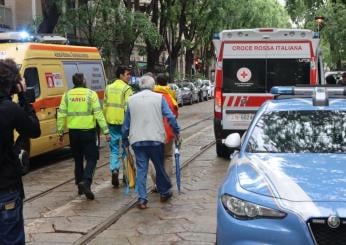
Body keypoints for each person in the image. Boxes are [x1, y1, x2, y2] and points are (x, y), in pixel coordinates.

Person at [122, 75, 180, 210]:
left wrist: (124, 139)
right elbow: (170, 117)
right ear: (153, 86)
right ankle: (164, 192)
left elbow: (126, 124)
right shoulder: (159, 98)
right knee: (159, 166)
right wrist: (176, 131)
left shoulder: (131, 100)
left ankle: (142, 199)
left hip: (137, 140)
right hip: (155, 139)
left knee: (142, 169)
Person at [0, 59, 41, 244]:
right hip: (5, 186)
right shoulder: (9, 109)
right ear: (13, 84)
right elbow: (34, 130)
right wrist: (24, 96)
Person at [57, 73, 110, 200]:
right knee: (92, 158)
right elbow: (98, 114)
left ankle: (79, 186)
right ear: (84, 81)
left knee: (78, 159)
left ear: (74, 82)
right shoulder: (91, 94)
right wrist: (106, 131)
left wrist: (60, 132)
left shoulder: (67, 95)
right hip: (88, 132)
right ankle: (86, 181)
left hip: (73, 133)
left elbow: (61, 114)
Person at [103, 66, 133, 188]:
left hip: (111, 122)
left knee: (114, 149)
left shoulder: (108, 88)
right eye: (127, 74)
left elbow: (105, 106)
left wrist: (105, 124)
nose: (129, 76)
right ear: (121, 75)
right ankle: (126, 176)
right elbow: (128, 107)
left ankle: (115, 170)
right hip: (123, 123)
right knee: (125, 149)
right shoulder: (127, 89)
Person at [149, 73, 179, 189]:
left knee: (153, 158)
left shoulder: (151, 95)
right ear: (167, 83)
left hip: (153, 132)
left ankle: (156, 183)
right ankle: (165, 182)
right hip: (168, 132)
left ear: (156, 83)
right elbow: (175, 115)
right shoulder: (171, 96)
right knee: (167, 157)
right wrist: (176, 132)